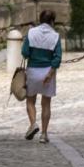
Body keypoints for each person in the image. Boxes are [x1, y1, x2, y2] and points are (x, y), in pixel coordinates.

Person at [21, 10, 62, 143]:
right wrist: (50, 73)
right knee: (46, 104)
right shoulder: (55, 36)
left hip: (33, 70)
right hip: (47, 71)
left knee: (30, 100)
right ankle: (44, 134)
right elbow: (58, 57)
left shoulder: (31, 33)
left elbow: (25, 52)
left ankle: (33, 124)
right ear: (52, 21)